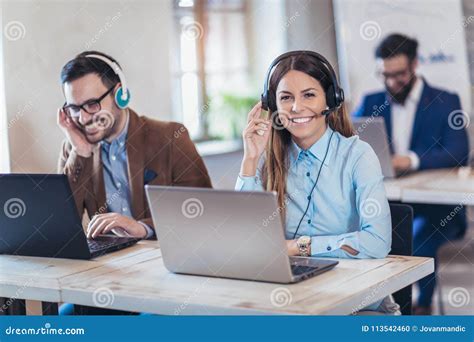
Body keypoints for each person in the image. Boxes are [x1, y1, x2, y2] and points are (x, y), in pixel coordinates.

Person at [236, 51, 398, 314]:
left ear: (331, 99)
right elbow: (248, 241)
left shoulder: (358, 155)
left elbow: (377, 242)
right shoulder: (269, 160)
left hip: (358, 305)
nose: (297, 107)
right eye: (286, 98)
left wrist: (298, 246)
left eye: (309, 95)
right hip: (291, 300)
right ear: (272, 106)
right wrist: (250, 159)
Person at [57, 51, 212, 314]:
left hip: (168, 279)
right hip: (108, 280)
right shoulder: (76, 148)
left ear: (120, 94)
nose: (83, 118)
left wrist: (143, 228)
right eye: (74, 108)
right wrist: (81, 152)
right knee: (63, 321)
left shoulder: (170, 137)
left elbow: (205, 215)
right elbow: (60, 225)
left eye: (92, 104)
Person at [353, 34, 470, 315]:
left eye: (400, 75)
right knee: (366, 234)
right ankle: (377, 306)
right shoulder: (371, 102)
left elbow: (460, 152)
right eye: (386, 75)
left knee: (417, 237)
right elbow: (350, 144)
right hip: (389, 202)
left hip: (439, 209)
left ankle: (419, 308)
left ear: (415, 65)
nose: (393, 82)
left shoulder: (445, 101)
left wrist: (411, 160)